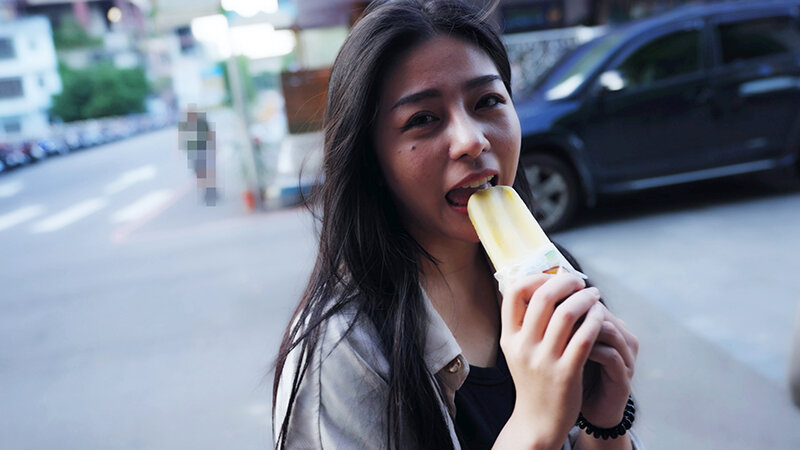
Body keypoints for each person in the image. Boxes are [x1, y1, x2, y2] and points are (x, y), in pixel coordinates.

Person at [272, 1, 641, 449]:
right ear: (371, 159)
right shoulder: (344, 351)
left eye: (487, 101)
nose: (472, 140)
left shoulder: (557, 279)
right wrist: (534, 427)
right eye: (423, 119)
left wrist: (603, 423)